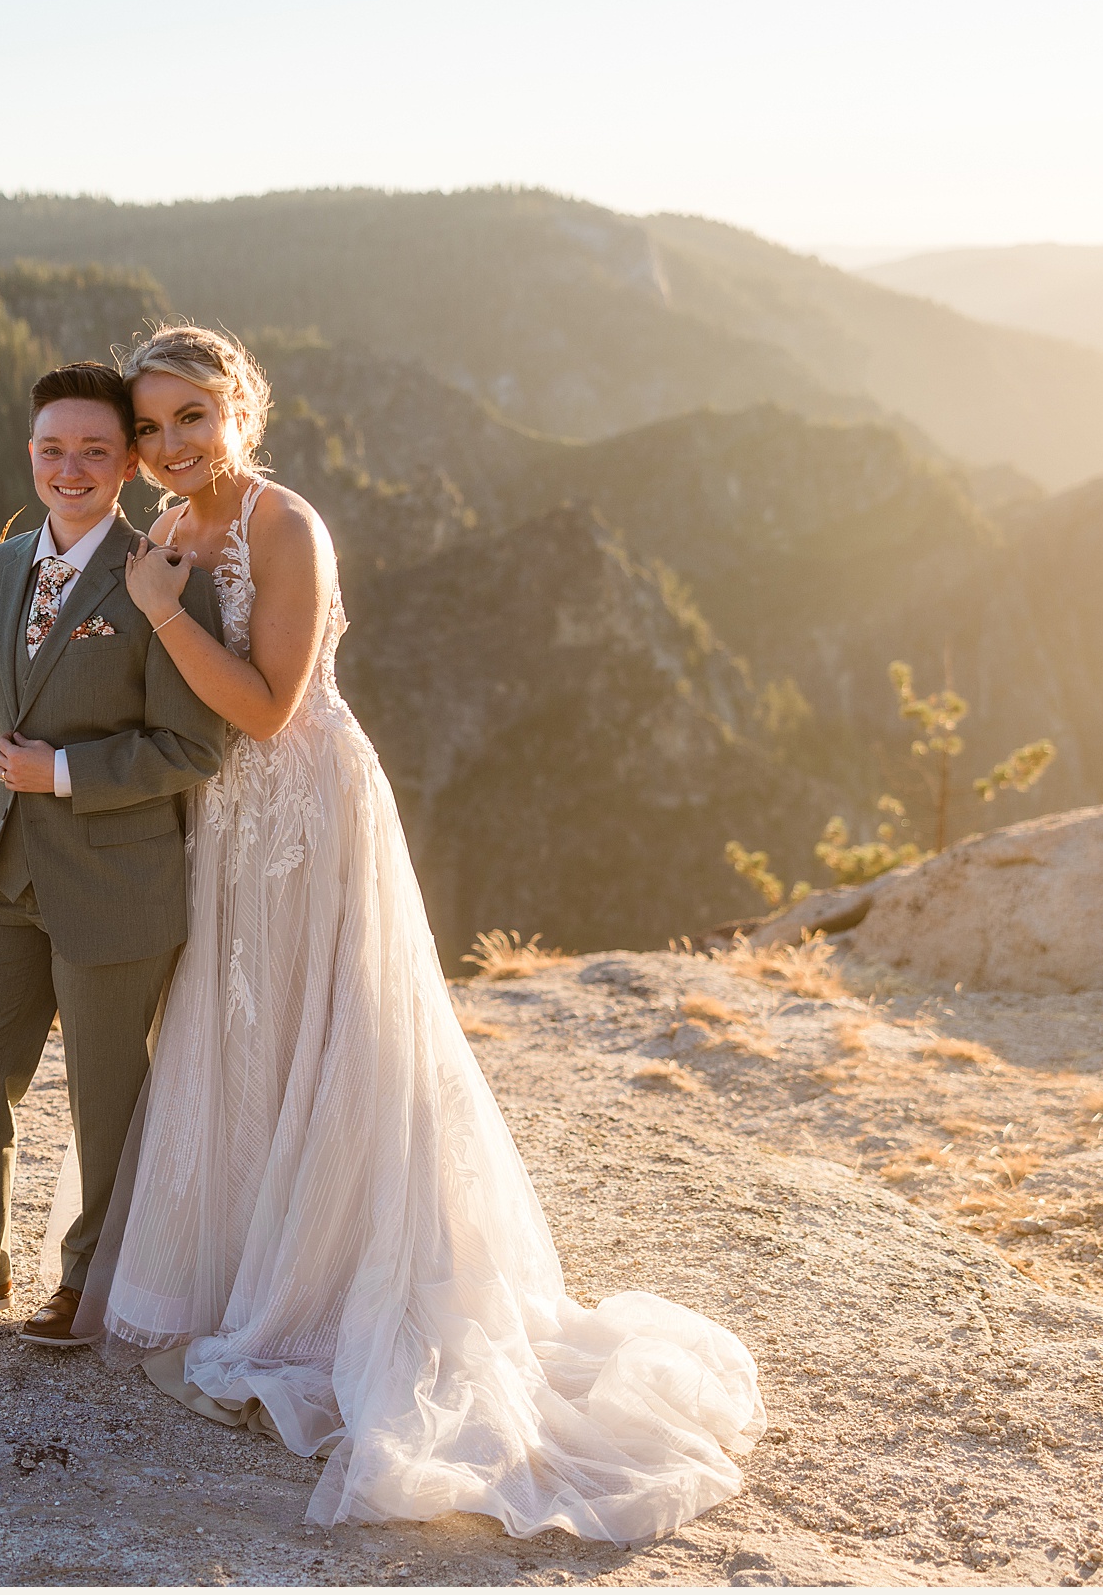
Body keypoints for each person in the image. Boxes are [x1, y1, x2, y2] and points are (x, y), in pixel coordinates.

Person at [84, 324, 765, 1543]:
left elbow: (271, 703)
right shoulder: (167, 532)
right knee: (246, 1035)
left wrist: (162, 617)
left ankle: (335, 1277)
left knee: (331, 1032)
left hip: (306, 811)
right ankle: (246, 1267)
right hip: (224, 821)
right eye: (148, 426)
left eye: (192, 415)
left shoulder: (280, 524)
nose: (170, 442)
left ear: (239, 406)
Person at [0, 362, 229, 1345]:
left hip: (115, 879)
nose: (71, 468)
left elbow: (194, 747)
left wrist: (62, 772)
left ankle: (89, 1282)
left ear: (126, 463)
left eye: (94, 451)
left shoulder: (160, 577)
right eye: (53, 448)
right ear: (31, 453)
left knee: (107, 1093)